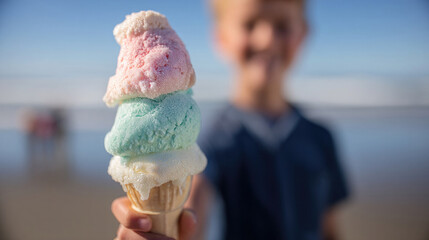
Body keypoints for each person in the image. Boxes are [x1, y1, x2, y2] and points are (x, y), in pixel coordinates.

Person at [111, 0, 349, 239]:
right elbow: (193, 213)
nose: (266, 39)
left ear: (303, 33)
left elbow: (329, 229)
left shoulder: (321, 139)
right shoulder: (210, 139)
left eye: (282, 25)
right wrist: (164, 230)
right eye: (250, 24)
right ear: (221, 37)